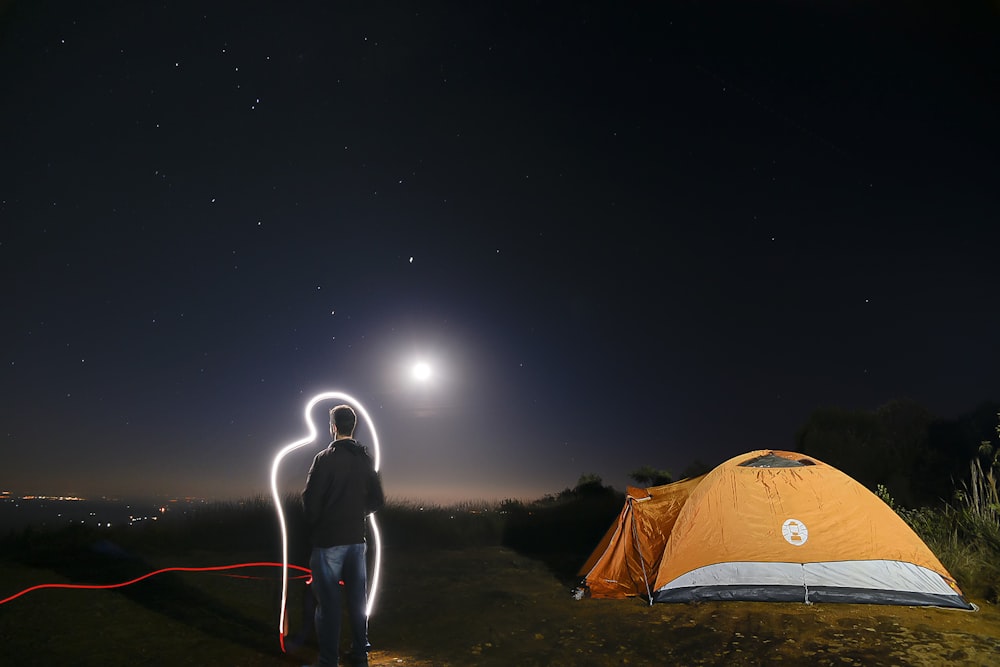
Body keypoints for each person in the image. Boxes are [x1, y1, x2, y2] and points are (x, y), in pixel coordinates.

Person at [302, 404, 385, 667]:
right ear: (353, 426)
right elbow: (377, 500)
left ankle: (328, 661)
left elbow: (310, 502)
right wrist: (357, 514)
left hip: (329, 543)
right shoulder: (365, 458)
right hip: (357, 542)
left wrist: (318, 525)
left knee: (328, 606)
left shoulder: (324, 458)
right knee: (358, 602)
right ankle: (360, 655)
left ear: (334, 427)